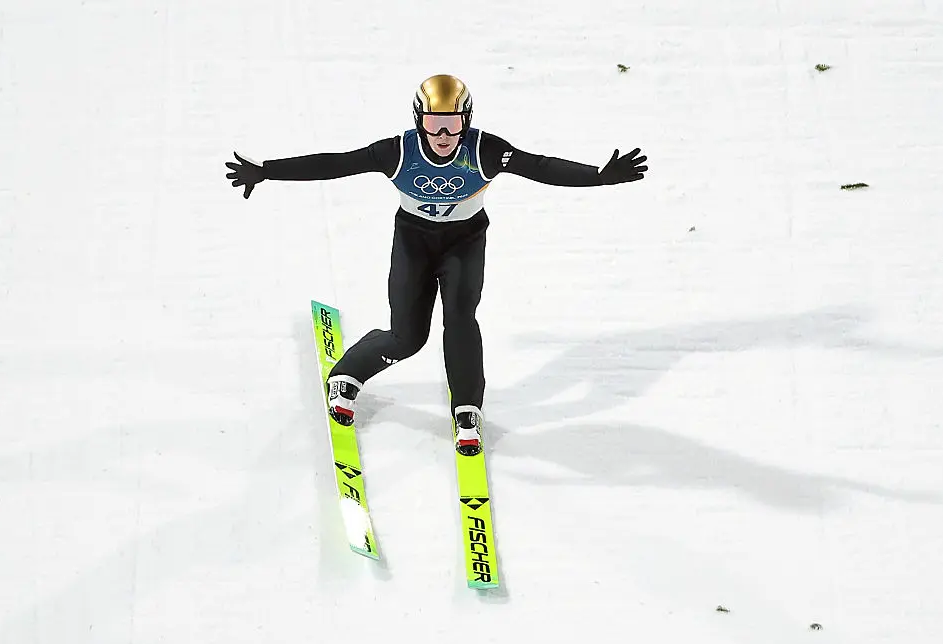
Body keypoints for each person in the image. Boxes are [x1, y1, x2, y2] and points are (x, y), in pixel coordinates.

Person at [225, 74, 647, 455]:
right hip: (414, 242)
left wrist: (597, 175)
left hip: (464, 243)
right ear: (418, 120)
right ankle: (348, 373)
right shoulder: (398, 151)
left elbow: (539, 166)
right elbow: (337, 163)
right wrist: (267, 171)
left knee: (461, 319)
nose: (443, 135)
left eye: (453, 124)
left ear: (467, 120)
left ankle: (467, 409)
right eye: (433, 124)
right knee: (407, 337)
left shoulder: (485, 150)